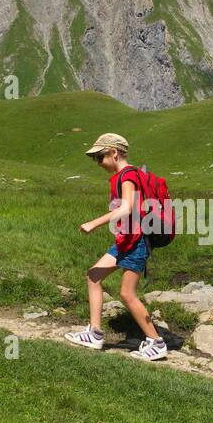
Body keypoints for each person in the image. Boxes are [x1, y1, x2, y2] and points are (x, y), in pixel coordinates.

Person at [64, 133, 168, 361]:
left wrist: (94, 222)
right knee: (93, 276)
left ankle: (157, 342)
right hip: (125, 240)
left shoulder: (128, 175)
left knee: (126, 293)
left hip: (136, 241)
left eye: (100, 157)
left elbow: (127, 208)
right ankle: (95, 333)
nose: (98, 163)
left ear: (114, 153)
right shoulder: (126, 175)